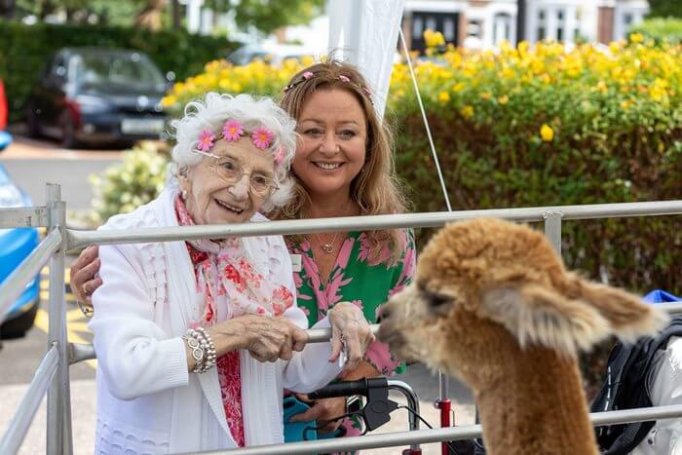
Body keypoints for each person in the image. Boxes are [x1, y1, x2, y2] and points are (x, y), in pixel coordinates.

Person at [72, 60, 416, 447]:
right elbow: (126, 370)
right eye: (227, 166)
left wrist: (339, 320)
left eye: (259, 179)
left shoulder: (262, 240)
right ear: (186, 169)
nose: (239, 191)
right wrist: (236, 334)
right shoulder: (135, 238)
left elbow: (295, 365)